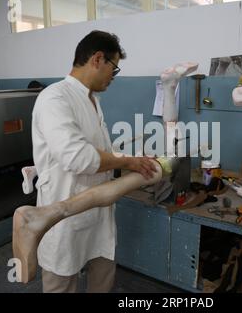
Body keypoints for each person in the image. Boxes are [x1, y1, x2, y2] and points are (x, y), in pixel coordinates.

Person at [31, 30, 157, 293]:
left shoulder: (92, 101)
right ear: (98, 59)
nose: (114, 76)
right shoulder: (55, 98)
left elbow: (100, 152)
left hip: (98, 211)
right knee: (62, 281)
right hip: (63, 212)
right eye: (114, 67)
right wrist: (129, 164)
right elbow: (77, 156)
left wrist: (132, 160)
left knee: (102, 275)